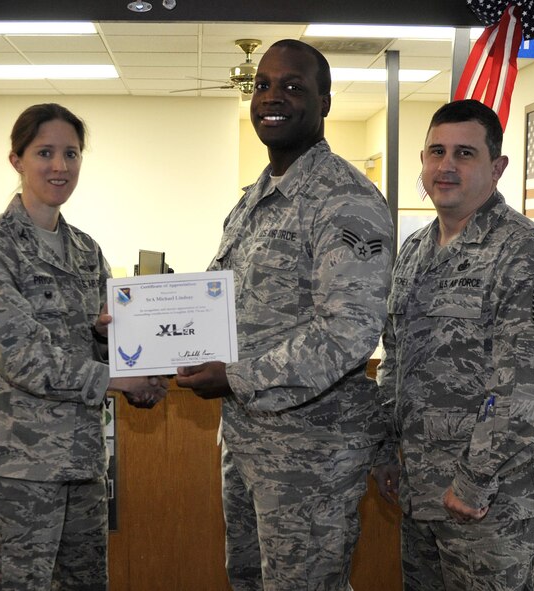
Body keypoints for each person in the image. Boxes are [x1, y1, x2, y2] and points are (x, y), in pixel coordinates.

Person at [175, 39, 394, 590]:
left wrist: (237, 376)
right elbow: (222, 305)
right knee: (247, 579)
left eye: (293, 86)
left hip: (310, 459)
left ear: (324, 102)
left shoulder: (345, 199)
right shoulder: (255, 197)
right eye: (263, 85)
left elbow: (348, 333)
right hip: (249, 445)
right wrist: (148, 330)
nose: (273, 97)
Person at [0, 103, 169, 590]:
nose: (60, 167)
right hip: (14, 472)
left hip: (82, 467)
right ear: (17, 160)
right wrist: (117, 377)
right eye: (45, 153)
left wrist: (125, 359)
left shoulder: (87, 250)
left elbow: (101, 349)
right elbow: (20, 356)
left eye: (71, 154)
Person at [373, 99, 534, 590]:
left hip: (489, 504)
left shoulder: (527, 255)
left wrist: (473, 481)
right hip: (421, 493)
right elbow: (394, 361)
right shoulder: (414, 251)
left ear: (496, 167)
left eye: (465, 154)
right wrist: (385, 449)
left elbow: (526, 391)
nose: (446, 166)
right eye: (436, 152)